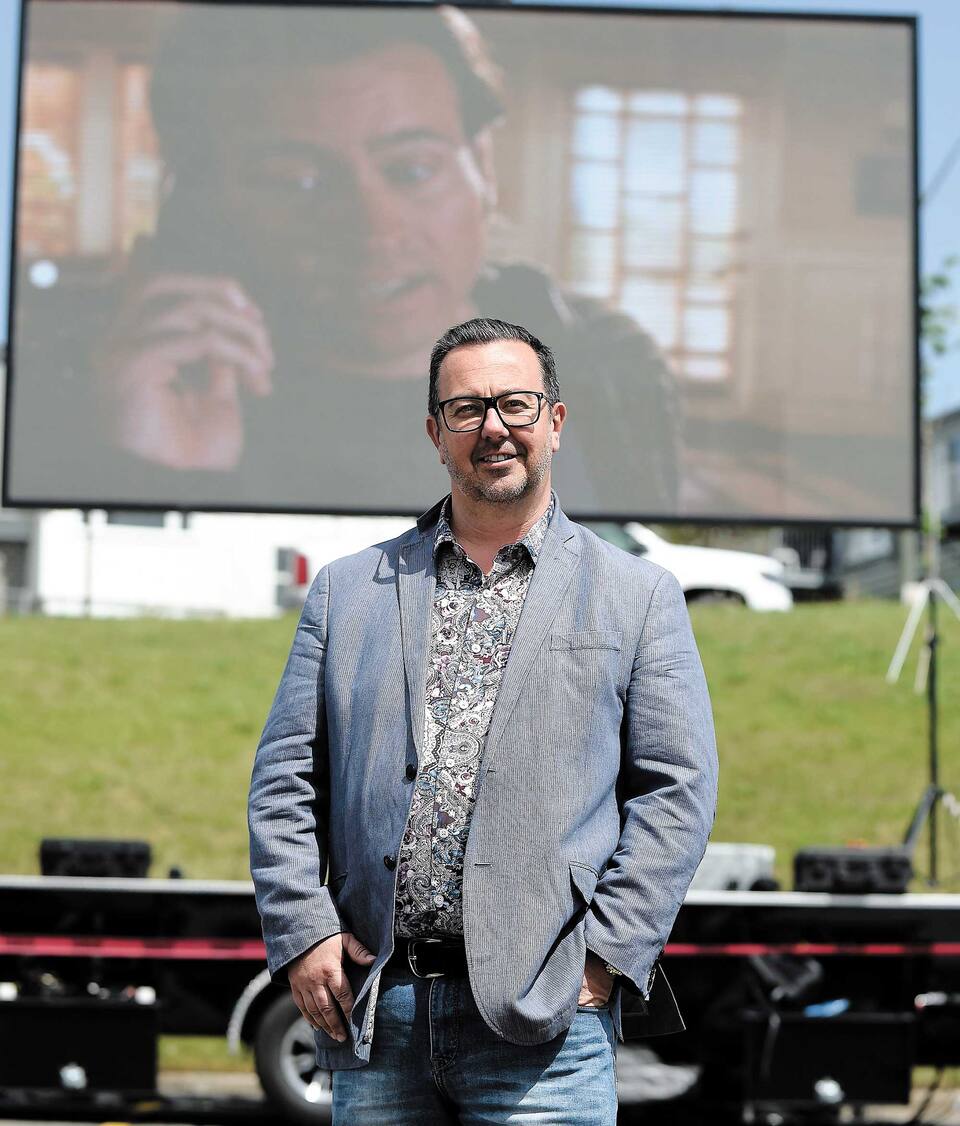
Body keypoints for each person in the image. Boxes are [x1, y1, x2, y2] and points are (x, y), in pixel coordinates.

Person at [247, 317, 717, 1123]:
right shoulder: (348, 591)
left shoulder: (637, 596)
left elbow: (677, 792)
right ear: (436, 433)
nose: (493, 427)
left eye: (515, 404)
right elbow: (284, 783)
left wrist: (603, 960)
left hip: (547, 1024)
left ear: (556, 424)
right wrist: (302, 931)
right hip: (379, 1014)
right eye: (466, 409)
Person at [12, 5, 678, 515]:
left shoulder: (605, 360)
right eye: (296, 181)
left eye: (413, 169)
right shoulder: (102, 384)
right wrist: (152, 472)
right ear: (205, 205)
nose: (371, 228)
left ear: (483, 169)